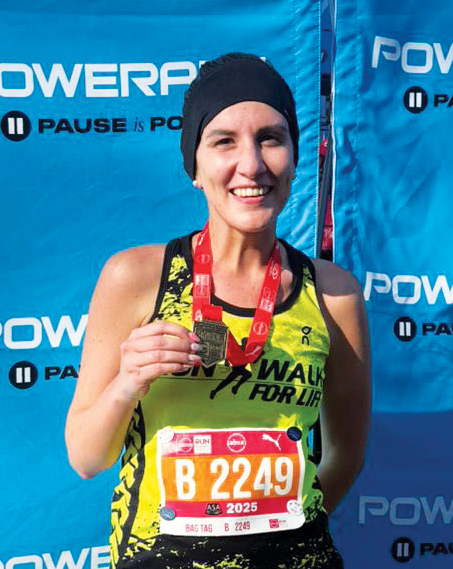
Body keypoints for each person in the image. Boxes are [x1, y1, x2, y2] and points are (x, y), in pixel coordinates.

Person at [65, 53, 371, 569]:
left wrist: (276, 537)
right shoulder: (136, 277)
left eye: (270, 138)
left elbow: (346, 455)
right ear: (195, 167)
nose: (251, 164)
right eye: (223, 141)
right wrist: (126, 383)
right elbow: (86, 458)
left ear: (295, 156)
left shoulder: (334, 293)